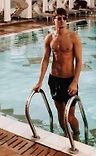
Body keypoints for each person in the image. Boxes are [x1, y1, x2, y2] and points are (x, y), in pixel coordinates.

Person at [33, 8, 83, 139]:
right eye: (59, 18)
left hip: (69, 81)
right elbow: (45, 60)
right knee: (60, 113)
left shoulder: (73, 37)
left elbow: (79, 61)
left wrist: (75, 82)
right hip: (54, 80)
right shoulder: (49, 38)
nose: (62, 21)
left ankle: (77, 135)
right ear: (53, 20)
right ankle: (67, 137)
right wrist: (40, 81)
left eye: (64, 18)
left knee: (70, 116)